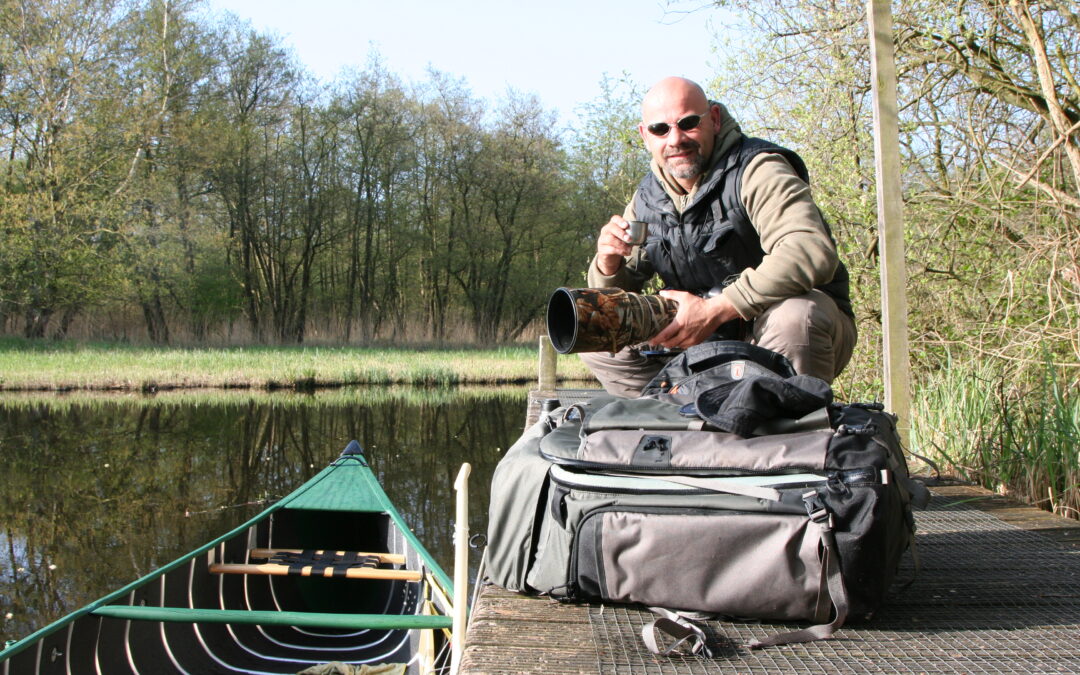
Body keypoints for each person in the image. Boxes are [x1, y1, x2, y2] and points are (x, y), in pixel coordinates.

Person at [581, 76, 857, 397]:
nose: (675, 139)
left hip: (776, 331)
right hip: (699, 344)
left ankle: (785, 427)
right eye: (660, 129)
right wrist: (608, 265)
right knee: (597, 331)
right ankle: (672, 420)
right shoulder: (646, 199)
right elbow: (614, 300)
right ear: (645, 136)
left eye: (688, 123)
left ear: (713, 119)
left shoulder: (758, 169)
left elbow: (809, 251)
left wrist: (717, 309)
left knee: (795, 318)